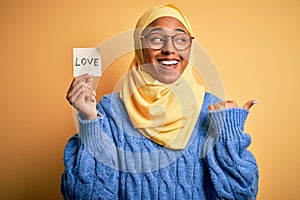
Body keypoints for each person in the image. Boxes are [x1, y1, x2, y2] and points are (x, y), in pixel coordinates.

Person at [62, 4, 259, 200]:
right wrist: (89, 122)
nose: (169, 49)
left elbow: (240, 196)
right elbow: (86, 195)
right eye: (156, 39)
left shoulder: (212, 110)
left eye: (180, 39)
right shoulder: (109, 112)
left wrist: (228, 135)